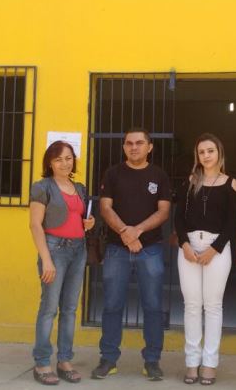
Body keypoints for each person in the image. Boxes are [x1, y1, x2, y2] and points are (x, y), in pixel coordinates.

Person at [92, 127, 171, 381]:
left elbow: (164, 211)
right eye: (129, 143)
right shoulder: (112, 173)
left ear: (150, 147)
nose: (134, 147)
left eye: (139, 143)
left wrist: (137, 231)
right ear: (124, 147)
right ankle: (108, 358)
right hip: (117, 250)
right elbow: (105, 208)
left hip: (151, 250)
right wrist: (125, 233)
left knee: (153, 306)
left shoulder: (159, 175)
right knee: (112, 305)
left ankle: (152, 361)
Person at [175, 133, 236, 385]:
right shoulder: (190, 182)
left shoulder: (230, 183)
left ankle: (209, 364)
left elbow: (233, 222)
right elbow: (179, 218)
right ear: (197, 156)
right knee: (192, 305)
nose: (206, 155)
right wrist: (184, 244)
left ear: (219, 153)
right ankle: (192, 363)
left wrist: (214, 249)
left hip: (218, 249)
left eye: (210, 150)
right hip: (189, 248)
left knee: (213, 306)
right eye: (201, 152)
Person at [29, 140, 95, 385]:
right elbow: (35, 225)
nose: (64, 163)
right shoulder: (42, 187)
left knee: (69, 309)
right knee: (49, 308)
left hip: (78, 250)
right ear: (50, 163)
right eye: (58, 159)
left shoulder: (79, 188)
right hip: (54, 250)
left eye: (68, 158)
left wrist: (89, 223)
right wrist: (46, 259)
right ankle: (42, 363)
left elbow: (81, 218)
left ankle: (65, 360)